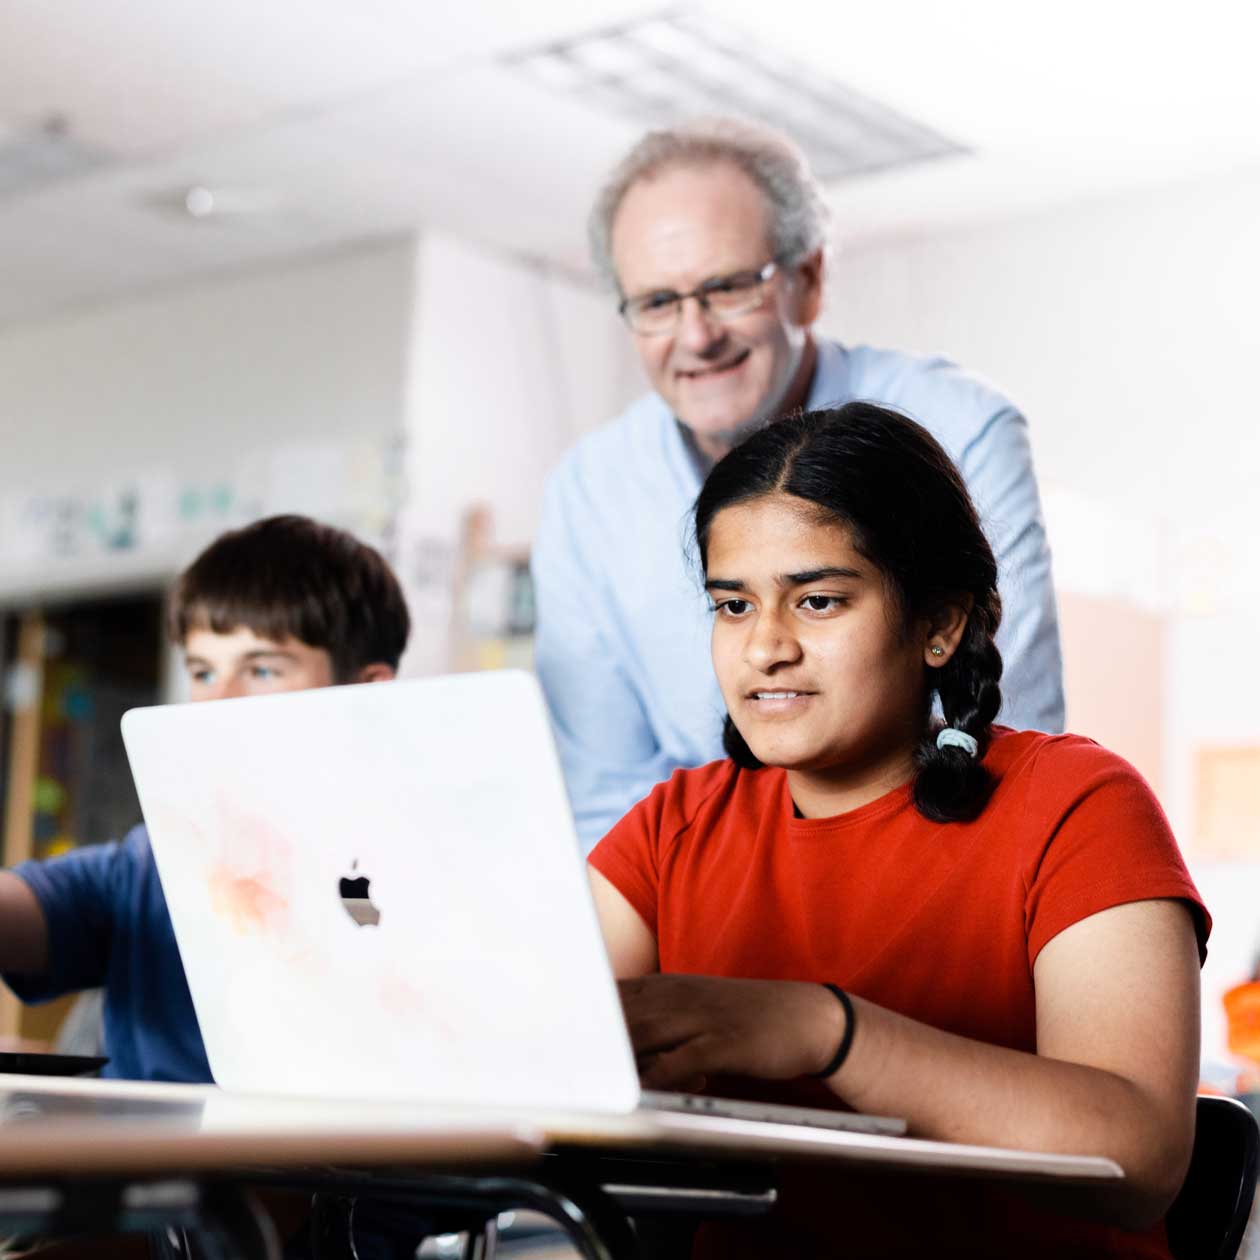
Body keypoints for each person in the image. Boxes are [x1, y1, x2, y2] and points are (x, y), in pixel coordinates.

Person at [587, 404, 1207, 1258]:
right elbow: (547, 1045)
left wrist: (822, 1031)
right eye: (732, 605)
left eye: (819, 600)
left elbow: (1138, 1159)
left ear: (941, 625)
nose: (764, 646)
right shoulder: (674, 827)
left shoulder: (1076, 804)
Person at [533, 117, 1065, 852]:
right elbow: (608, 800)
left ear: (808, 281)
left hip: (940, 870)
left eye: (727, 288)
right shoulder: (587, 494)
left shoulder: (960, 427)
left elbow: (1010, 740)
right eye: (657, 303)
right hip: (700, 905)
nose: (695, 336)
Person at [0, 515, 410, 1083]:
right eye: (202, 670)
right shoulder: (154, 859)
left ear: (367, 691)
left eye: (262, 669)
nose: (216, 702)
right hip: (145, 1169)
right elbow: (33, 908)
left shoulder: (415, 868)